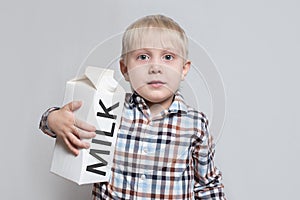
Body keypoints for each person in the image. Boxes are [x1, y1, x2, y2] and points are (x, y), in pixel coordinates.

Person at [39, 14, 226, 199]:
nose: (155, 67)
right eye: (143, 57)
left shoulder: (194, 123)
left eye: (168, 57)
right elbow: (54, 123)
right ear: (125, 69)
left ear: (183, 69)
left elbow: (208, 185)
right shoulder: (109, 108)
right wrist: (54, 119)